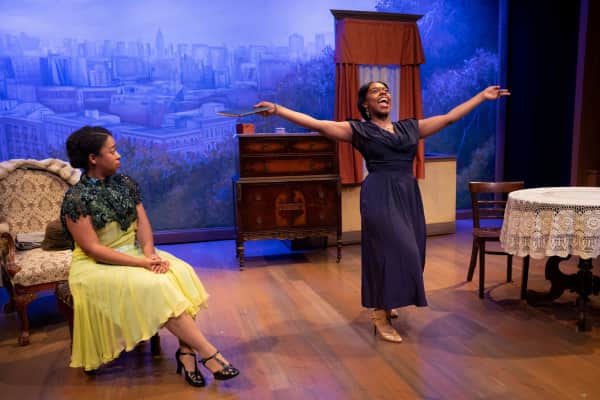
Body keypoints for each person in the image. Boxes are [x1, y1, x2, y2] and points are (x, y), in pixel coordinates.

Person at [255, 82, 509, 343]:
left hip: (407, 194)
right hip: (379, 194)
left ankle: (388, 300)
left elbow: (448, 118)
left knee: (415, 252)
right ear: (366, 104)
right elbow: (318, 124)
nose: (384, 93)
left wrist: (482, 96)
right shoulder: (359, 130)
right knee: (393, 252)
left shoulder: (409, 128)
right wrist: (278, 109)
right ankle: (379, 314)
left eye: (386, 90)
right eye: (376, 91)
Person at [60, 126, 240, 386]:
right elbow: (93, 249)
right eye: (112, 151)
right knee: (158, 286)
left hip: (134, 253)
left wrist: (149, 254)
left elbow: (143, 223)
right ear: (93, 158)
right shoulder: (75, 198)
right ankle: (210, 354)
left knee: (180, 272)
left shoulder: (125, 183)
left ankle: (186, 353)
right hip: (96, 265)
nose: (119, 155)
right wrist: (141, 263)